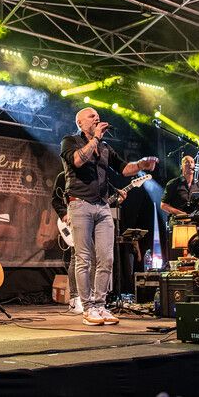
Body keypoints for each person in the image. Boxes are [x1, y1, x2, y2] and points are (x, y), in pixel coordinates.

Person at [61, 107, 158, 326]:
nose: (97, 118)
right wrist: (95, 138)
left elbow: (124, 169)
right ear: (79, 123)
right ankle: (87, 308)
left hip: (103, 205)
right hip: (79, 205)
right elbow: (77, 161)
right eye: (91, 116)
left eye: (97, 115)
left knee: (107, 258)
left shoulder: (105, 147)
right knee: (84, 259)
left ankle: (100, 305)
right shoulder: (70, 141)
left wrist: (141, 164)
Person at [51, 170, 126, 315]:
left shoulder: (97, 175)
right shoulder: (64, 176)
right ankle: (75, 298)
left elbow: (101, 201)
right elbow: (55, 199)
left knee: (98, 257)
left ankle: (94, 298)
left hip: (96, 219)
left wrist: (116, 199)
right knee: (78, 256)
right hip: (76, 216)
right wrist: (64, 215)